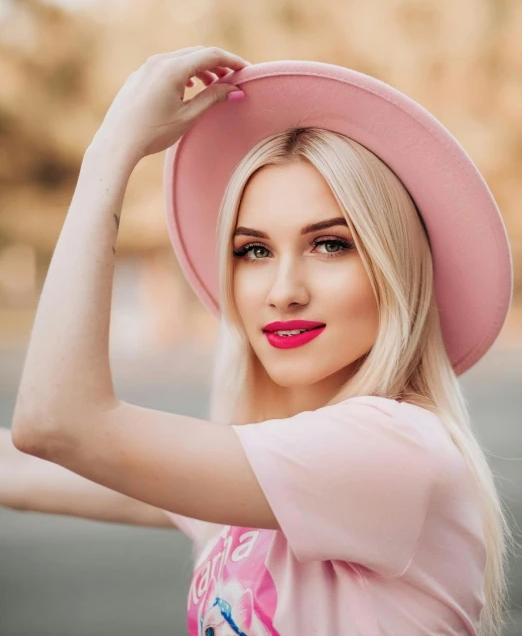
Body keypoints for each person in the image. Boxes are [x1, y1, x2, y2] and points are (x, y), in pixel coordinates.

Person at [7, 47, 516, 636]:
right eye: (253, 250)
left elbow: (56, 424)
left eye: (330, 244)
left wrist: (110, 152)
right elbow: (24, 463)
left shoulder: (393, 450)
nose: (283, 291)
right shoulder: (272, 477)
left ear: (396, 265)